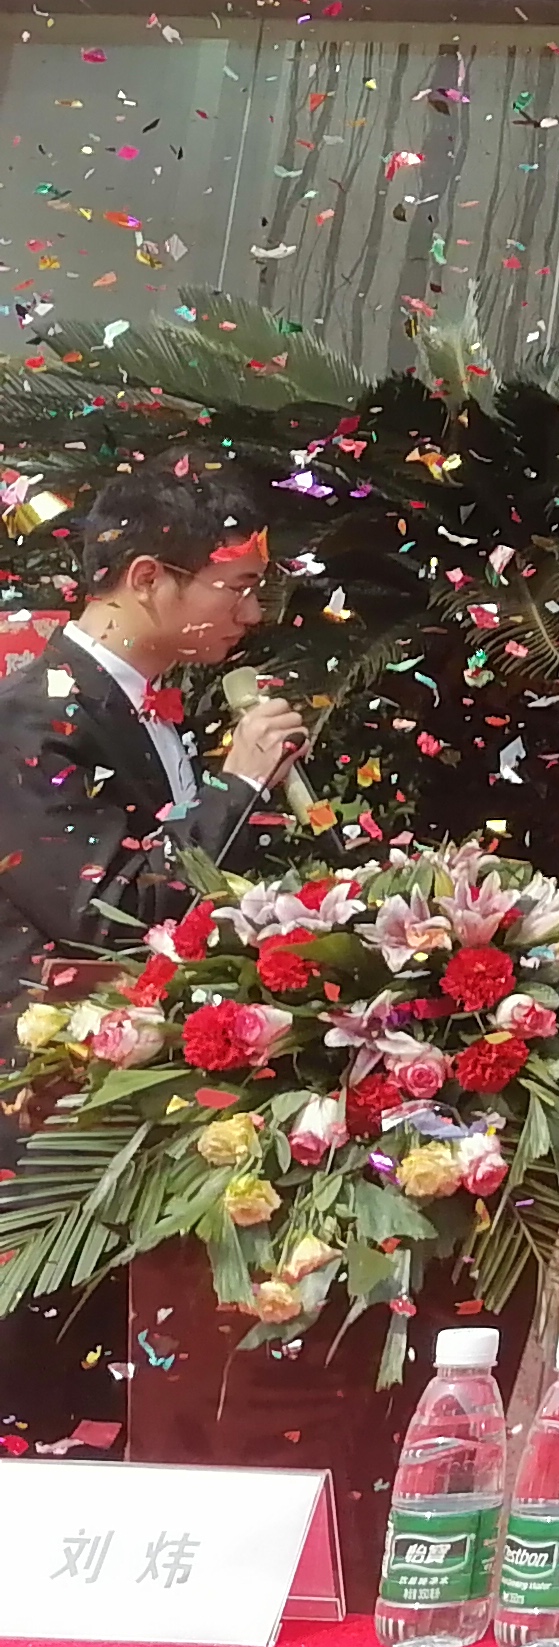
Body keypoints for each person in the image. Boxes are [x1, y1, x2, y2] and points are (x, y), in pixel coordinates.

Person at [0, 465, 310, 1447]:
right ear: (147, 577)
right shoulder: (32, 713)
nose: (252, 616)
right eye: (238, 588)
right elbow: (105, 914)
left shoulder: (147, 707)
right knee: (47, 1404)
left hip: (133, 1103)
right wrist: (240, 788)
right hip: (45, 1121)